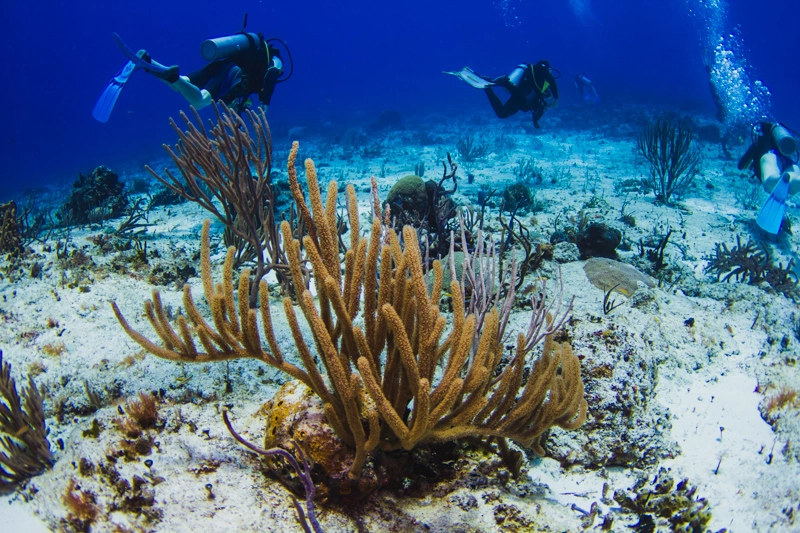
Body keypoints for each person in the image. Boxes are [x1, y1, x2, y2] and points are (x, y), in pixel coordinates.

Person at [95, 17, 287, 122]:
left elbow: (232, 98)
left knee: (181, 83)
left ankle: (146, 60)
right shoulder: (275, 59)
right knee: (200, 101)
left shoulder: (254, 54)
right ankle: (172, 76)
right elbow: (272, 73)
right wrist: (266, 103)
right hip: (233, 72)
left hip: (221, 66)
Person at [738, 121, 800, 233]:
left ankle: (779, 178)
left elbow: (741, 166)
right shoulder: (784, 144)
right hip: (790, 163)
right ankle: (794, 178)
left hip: (770, 156)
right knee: (793, 185)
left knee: (769, 180)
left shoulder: (760, 142)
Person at [484, 61, 559, 129]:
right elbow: (551, 81)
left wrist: (535, 122)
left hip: (520, 96)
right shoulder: (544, 73)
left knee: (501, 113)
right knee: (502, 113)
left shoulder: (536, 77)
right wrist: (556, 98)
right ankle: (503, 83)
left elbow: (537, 109)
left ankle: (493, 85)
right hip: (523, 98)